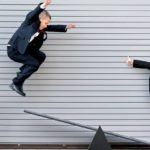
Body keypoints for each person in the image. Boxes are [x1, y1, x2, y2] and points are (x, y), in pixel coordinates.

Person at [7, 0, 76, 96]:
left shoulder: (42, 27)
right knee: (34, 64)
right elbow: (33, 14)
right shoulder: (29, 22)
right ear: (40, 19)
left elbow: (53, 27)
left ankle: (22, 72)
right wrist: (44, 5)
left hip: (26, 50)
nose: (46, 25)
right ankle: (16, 82)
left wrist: (66, 26)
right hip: (15, 50)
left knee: (41, 56)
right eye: (46, 23)